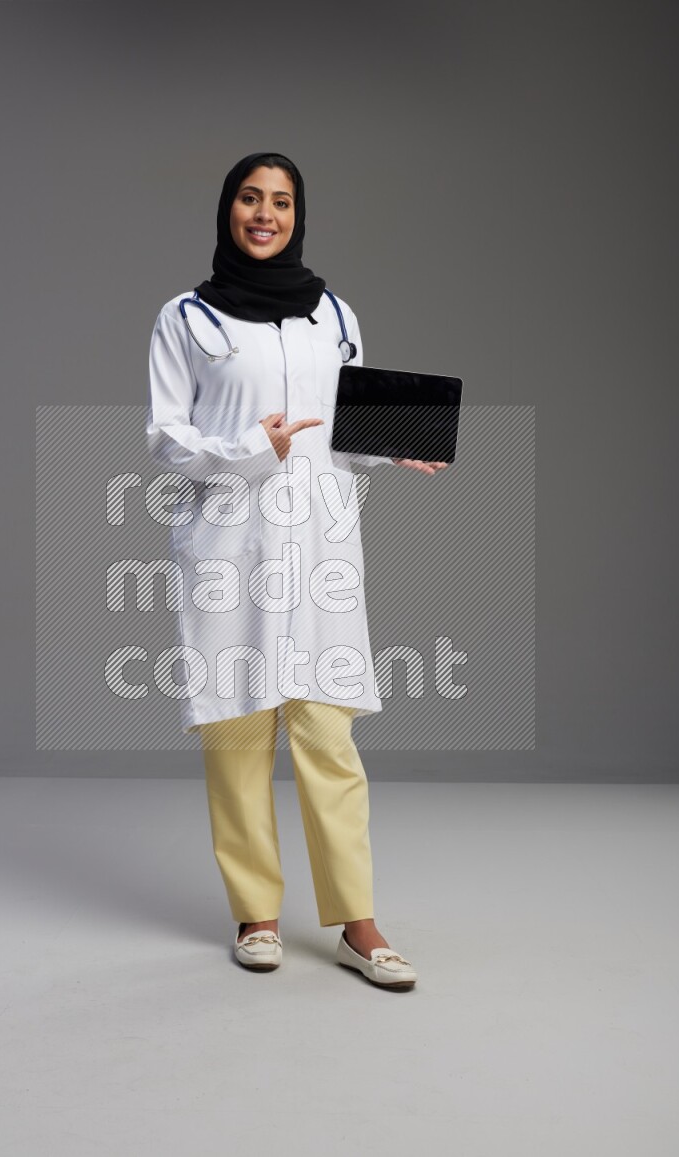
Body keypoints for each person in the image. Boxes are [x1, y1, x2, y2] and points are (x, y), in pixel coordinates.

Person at [146, 152, 447, 990]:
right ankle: (257, 914)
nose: (265, 213)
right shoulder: (188, 319)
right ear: (228, 210)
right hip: (229, 545)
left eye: (280, 200)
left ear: (297, 213)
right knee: (239, 733)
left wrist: (394, 443)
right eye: (250, 198)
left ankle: (358, 922)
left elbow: (342, 425)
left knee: (328, 736)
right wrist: (255, 446)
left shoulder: (335, 313)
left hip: (318, 548)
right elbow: (168, 441)